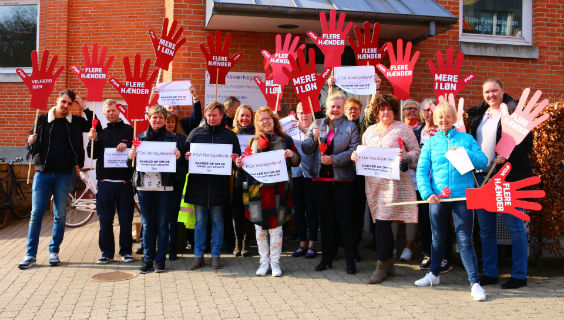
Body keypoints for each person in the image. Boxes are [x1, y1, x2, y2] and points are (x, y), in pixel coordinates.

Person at [415, 101, 488, 301]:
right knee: (437, 238)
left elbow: (483, 162)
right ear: (434, 119)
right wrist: (427, 193)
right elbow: (421, 171)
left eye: (447, 116)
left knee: (465, 240)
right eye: (439, 116)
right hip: (438, 198)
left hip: (463, 197)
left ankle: (475, 283)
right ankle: (434, 274)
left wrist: (465, 153)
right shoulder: (430, 143)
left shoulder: (466, 139)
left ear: (454, 119)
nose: (443, 120)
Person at [19, 90, 98, 269]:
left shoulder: (76, 122)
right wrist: (28, 141)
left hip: (64, 174)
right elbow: (29, 143)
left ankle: (53, 251)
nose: (65, 106)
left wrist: (83, 106)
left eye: (70, 103)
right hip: (43, 173)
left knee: (60, 215)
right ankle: (30, 254)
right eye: (63, 102)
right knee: (36, 214)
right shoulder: (42, 119)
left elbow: (96, 126)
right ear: (57, 100)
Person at [468, 79, 532, 289]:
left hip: (506, 178)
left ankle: (519, 275)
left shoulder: (513, 112)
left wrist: (507, 155)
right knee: (485, 228)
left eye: (495, 90)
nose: (491, 95)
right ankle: (490, 272)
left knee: (515, 227)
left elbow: (525, 143)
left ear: (503, 91)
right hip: (481, 177)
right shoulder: (480, 115)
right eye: (487, 92)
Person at [352, 93, 420, 284]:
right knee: (382, 223)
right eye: (382, 109)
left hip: (395, 185)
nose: (386, 112)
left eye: (389, 109)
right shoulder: (370, 131)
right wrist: (356, 157)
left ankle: (381, 266)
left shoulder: (403, 129)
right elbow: (362, 151)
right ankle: (390, 264)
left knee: (382, 223)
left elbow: (417, 153)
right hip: (373, 185)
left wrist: (405, 156)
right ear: (376, 112)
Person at [236, 106, 300, 277]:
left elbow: (297, 161)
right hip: (257, 191)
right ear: (258, 123)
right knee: (260, 230)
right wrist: (240, 164)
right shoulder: (253, 142)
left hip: (278, 190)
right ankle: (263, 262)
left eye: (268, 118)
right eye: (262, 119)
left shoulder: (285, 140)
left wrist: (290, 154)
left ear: (274, 120)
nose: (265, 122)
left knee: (276, 230)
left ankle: (275, 263)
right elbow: (247, 163)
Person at [302, 92, 360, 274]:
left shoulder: (351, 127)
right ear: (326, 107)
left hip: (342, 180)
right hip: (321, 181)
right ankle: (326, 257)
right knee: (326, 222)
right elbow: (305, 148)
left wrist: (334, 159)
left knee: (345, 221)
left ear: (343, 109)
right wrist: (312, 138)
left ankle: (350, 260)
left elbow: (353, 150)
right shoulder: (317, 124)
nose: (335, 110)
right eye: (332, 106)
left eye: (338, 107)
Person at [184, 101, 241, 270]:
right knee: (200, 222)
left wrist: (234, 159)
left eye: (214, 115)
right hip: (199, 185)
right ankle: (198, 255)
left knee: (217, 220)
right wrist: (186, 157)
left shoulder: (229, 136)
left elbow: (237, 160)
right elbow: (184, 160)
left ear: (221, 116)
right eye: (208, 115)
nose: (211, 118)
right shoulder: (195, 133)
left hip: (219, 185)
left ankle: (216, 255)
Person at [128, 105, 182, 274]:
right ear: (149, 119)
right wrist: (131, 157)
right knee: (148, 223)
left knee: (162, 224)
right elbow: (131, 167)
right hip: (144, 187)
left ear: (165, 120)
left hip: (165, 187)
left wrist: (179, 158)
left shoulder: (173, 139)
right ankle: (147, 259)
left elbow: (182, 167)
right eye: (154, 117)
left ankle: (160, 260)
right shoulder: (139, 139)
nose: (157, 120)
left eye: (160, 117)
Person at [87, 99, 134, 264]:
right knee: (105, 219)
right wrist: (91, 140)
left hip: (125, 183)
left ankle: (126, 251)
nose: (111, 113)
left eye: (114, 110)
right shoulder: (102, 133)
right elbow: (92, 155)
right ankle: (106, 253)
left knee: (126, 219)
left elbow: (136, 145)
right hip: (105, 183)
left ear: (118, 111)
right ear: (104, 113)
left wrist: (126, 144)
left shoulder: (129, 130)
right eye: (108, 111)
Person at [412, 98, 453, 272]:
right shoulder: (416, 131)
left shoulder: (446, 132)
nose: (429, 113)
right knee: (425, 222)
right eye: (426, 110)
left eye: (432, 110)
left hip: (441, 186)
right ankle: (428, 254)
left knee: (443, 223)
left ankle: (445, 257)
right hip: (421, 185)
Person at [290, 103, 319, 259]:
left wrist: (304, 130)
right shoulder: (292, 130)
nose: (303, 115)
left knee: (311, 211)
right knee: (299, 211)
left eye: (306, 112)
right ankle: (302, 243)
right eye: (300, 112)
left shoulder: (316, 128)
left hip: (312, 176)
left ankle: (312, 244)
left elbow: (315, 145)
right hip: (296, 175)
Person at [231, 105, 255, 257]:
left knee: (250, 211)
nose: (245, 119)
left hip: (252, 178)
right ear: (237, 117)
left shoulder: (257, 134)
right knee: (236, 211)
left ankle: (246, 243)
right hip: (236, 178)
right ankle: (237, 243)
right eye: (242, 116)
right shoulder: (230, 134)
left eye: (248, 116)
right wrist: (232, 159)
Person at [165, 112, 187, 260]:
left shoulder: (181, 139)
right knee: (161, 218)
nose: (170, 124)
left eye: (173, 122)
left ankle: (172, 248)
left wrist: (181, 158)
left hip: (176, 182)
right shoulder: (157, 139)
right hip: (159, 183)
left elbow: (185, 162)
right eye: (168, 122)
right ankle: (162, 246)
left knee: (173, 217)